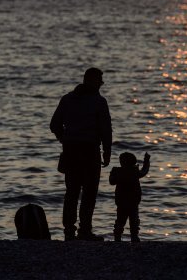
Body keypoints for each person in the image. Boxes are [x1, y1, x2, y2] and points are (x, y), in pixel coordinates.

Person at [50, 67, 112, 241]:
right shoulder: (99, 102)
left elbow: (54, 125)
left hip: (70, 151)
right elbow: (106, 130)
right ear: (91, 81)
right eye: (99, 80)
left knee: (71, 192)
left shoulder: (67, 99)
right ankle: (84, 231)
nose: (102, 83)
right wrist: (107, 152)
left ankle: (69, 231)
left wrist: (65, 139)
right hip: (90, 151)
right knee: (89, 192)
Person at [109, 151, 150, 242]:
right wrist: (146, 161)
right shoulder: (133, 171)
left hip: (125, 201)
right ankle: (132, 236)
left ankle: (119, 236)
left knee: (122, 220)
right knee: (132, 220)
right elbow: (144, 171)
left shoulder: (121, 171)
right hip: (131, 201)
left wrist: (114, 173)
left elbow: (112, 181)